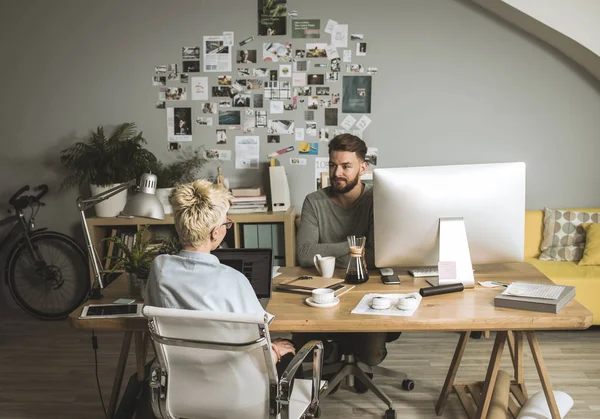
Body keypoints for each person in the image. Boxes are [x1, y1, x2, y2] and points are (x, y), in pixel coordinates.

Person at [145, 180, 296, 376]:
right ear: (215, 233)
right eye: (226, 222)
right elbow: (258, 346)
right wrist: (276, 352)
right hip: (235, 387)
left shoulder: (159, 268)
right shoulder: (235, 281)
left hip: (181, 384)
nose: (228, 225)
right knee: (290, 353)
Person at [295, 134, 396, 393]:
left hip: (368, 290)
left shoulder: (377, 201)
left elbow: (378, 257)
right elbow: (305, 255)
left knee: (371, 355)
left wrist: (329, 252)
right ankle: (334, 354)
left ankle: (346, 355)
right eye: (332, 165)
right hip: (325, 290)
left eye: (346, 166)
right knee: (302, 339)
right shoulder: (314, 202)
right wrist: (355, 246)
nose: (337, 172)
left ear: (363, 168)